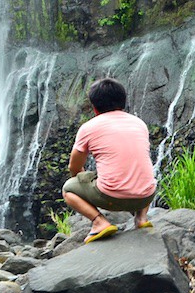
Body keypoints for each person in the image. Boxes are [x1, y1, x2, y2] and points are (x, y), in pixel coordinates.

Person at [61, 77, 157, 244]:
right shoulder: (139, 123)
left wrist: (82, 180)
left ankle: (100, 222)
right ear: (123, 102)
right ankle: (141, 218)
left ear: (95, 108)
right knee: (142, 171)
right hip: (146, 196)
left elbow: (74, 166)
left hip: (111, 198)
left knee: (68, 188)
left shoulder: (89, 127)